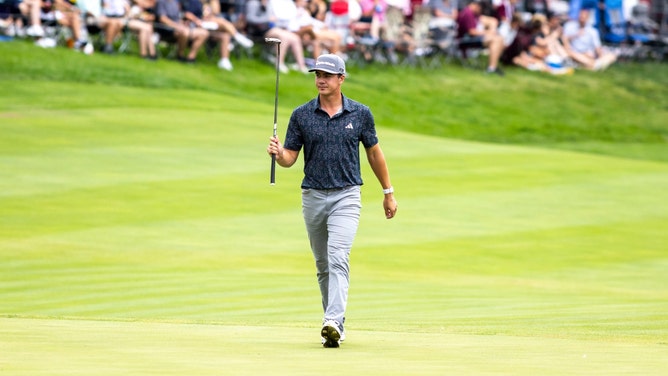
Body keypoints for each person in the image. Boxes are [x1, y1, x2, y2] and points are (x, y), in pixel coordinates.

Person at [266, 54, 398, 348]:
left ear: (341, 78)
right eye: (317, 75)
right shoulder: (301, 115)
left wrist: (388, 192)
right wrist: (278, 154)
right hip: (313, 195)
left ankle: (333, 321)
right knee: (323, 264)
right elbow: (290, 159)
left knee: (338, 257)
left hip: (346, 195)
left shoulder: (360, 114)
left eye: (327, 75)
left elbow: (374, 153)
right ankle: (334, 322)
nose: (320, 80)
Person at [456, 0, 506, 75]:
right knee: (495, 40)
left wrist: (492, 29)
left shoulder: (474, 13)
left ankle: (493, 66)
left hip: (471, 38)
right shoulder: (468, 13)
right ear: (477, 6)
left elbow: (492, 20)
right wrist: (488, 32)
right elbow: (472, 32)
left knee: (499, 38)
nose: (481, 13)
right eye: (481, 10)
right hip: (464, 40)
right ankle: (491, 68)